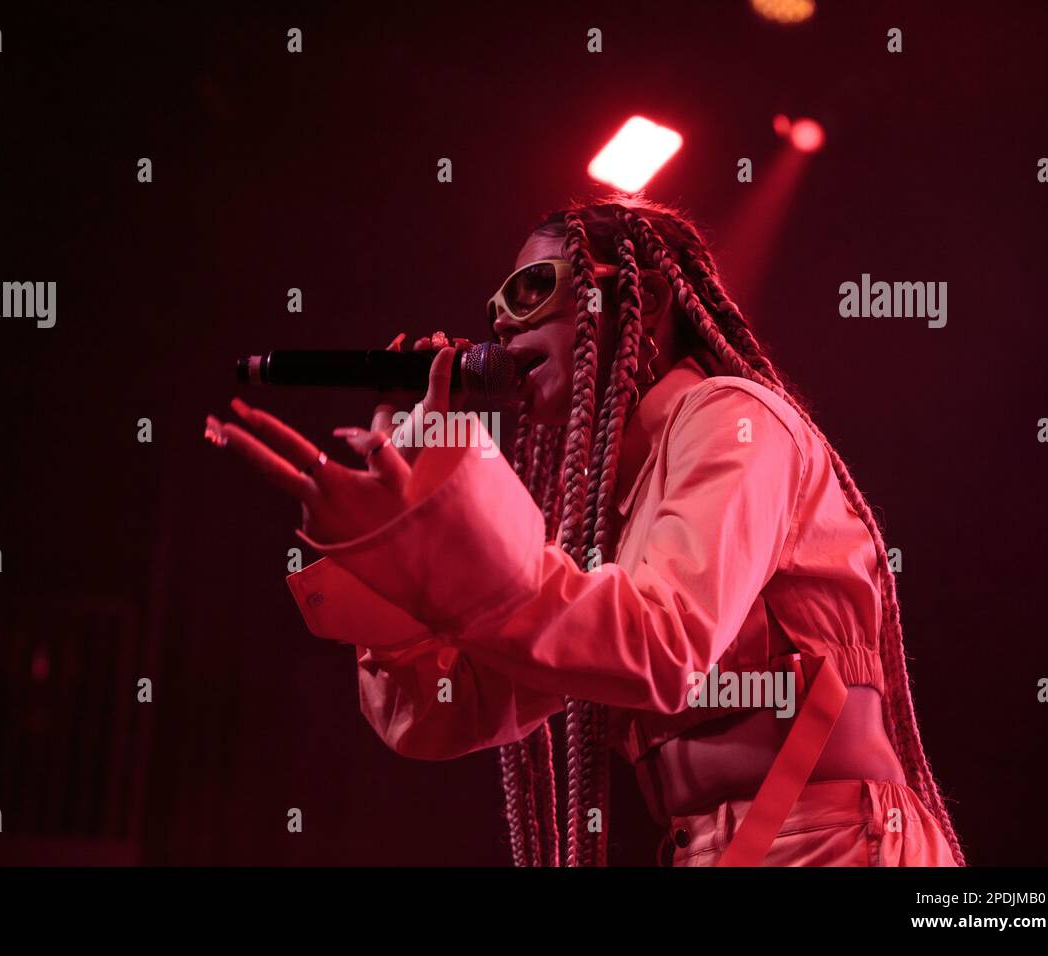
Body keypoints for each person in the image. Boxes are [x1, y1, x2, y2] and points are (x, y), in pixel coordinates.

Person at [207, 197, 964, 867]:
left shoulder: (734, 418)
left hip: (831, 842)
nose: (500, 320)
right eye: (497, 303)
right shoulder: (598, 526)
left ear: (651, 296)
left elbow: (665, 643)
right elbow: (442, 711)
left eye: (533, 288)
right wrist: (408, 521)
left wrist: (451, 537)